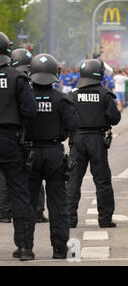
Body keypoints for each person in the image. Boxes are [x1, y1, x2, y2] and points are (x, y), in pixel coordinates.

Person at [25, 53, 79, 259]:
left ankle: (26, 248)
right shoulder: (62, 99)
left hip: (29, 153)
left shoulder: (25, 98)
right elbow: (72, 126)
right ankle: (59, 249)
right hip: (54, 153)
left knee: (28, 203)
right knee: (58, 203)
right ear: (55, 73)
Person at [67, 59, 121, 228]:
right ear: (99, 74)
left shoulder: (73, 95)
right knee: (102, 181)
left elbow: (66, 119)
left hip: (77, 139)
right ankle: (105, 219)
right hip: (97, 140)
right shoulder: (104, 94)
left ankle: (69, 219)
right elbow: (115, 118)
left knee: (73, 181)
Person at [0, 31, 37, 261]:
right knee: (20, 194)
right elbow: (30, 110)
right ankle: (24, 247)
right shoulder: (17, 78)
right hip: (10, 139)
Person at [10, 48, 49, 223]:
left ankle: (6, 212)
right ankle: (35, 212)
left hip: (14, 134)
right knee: (31, 177)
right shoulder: (25, 82)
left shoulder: (12, 79)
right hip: (25, 135)